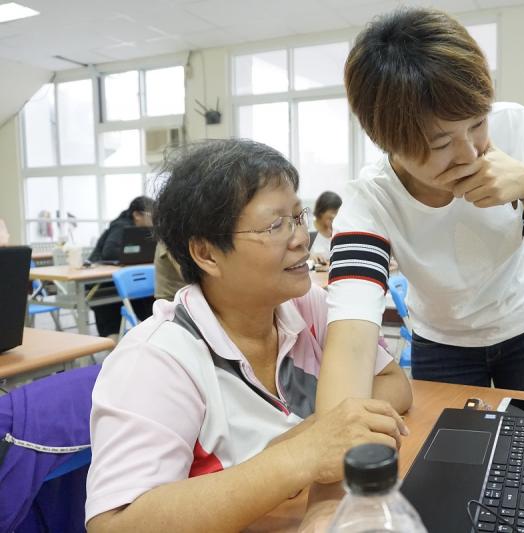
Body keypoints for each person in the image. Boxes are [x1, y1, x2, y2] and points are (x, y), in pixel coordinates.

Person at [85, 139, 412, 532]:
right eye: (276, 225)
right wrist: (302, 454)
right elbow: (114, 525)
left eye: (297, 216)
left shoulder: (307, 306)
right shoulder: (157, 359)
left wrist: (320, 436)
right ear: (206, 254)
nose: (300, 238)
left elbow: (394, 384)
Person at [316, 7, 524, 413]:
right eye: (440, 144)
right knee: (454, 458)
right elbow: (352, 338)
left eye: (478, 123)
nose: (469, 153)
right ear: (387, 142)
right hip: (443, 345)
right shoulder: (371, 200)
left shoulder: (514, 127)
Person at [88, 196, 156, 337]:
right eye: (151, 215)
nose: (154, 219)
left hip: (122, 280)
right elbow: (109, 252)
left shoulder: (142, 231)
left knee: (150, 303)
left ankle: (154, 333)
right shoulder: (121, 225)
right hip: (101, 284)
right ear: (137, 215)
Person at [309, 191, 342, 267]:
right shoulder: (308, 229)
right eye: (333, 212)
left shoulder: (337, 231)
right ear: (321, 211)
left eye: (338, 212)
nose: (335, 216)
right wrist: (309, 258)